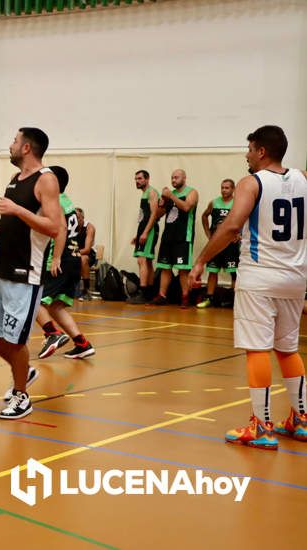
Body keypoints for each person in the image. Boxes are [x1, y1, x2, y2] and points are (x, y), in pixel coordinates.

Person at [189, 125, 307, 449]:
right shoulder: (302, 178)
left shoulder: (251, 182)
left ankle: (262, 426)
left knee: (257, 349)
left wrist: (200, 261)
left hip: (260, 276)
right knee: (288, 348)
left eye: (250, 148)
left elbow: (231, 226)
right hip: (296, 277)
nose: (247, 154)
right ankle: (301, 418)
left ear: (261, 152)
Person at [0, 128, 63, 420]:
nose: (11, 145)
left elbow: (54, 227)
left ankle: (21, 396)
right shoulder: (16, 179)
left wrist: (16, 210)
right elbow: (15, 219)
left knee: (16, 341)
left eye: (14, 141)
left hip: (24, 273)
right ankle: (23, 370)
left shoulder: (47, 180)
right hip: (0, 267)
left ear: (27, 148)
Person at [34, 166, 96, 360]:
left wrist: (56, 258)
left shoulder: (55, 202)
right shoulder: (68, 201)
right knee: (56, 307)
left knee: (32, 300)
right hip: (74, 259)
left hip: (59, 259)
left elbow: (58, 229)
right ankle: (82, 344)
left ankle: (52, 334)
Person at [150, 169, 199, 308]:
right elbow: (159, 215)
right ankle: (162, 296)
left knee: (183, 269)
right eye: (172, 178)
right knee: (165, 267)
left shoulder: (192, 192)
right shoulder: (170, 195)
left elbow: (186, 207)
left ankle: (185, 297)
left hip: (183, 237)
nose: (173, 180)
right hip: (168, 236)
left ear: (184, 178)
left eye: (176, 177)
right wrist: (162, 202)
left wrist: (170, 195)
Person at [196, 179, 238, 308]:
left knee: (234, 272)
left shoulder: (237, 203)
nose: (224, 190)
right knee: (212, 270)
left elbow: (245, 220)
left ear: (233, 189)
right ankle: (209, 298)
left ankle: (235, 300)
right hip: (216, 244)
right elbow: (204, 216)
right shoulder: (214, 203)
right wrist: (208, 234)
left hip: (231, 244)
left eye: (227, 188)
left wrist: (240, 234)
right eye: (222, 187)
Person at [127, 170, 160, 304]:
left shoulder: (151, 192)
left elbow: (153, 214)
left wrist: (146, 232)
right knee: (147, 262)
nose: (137, 181)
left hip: (150, 231)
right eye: (136, 179)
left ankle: (143, 292)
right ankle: (150, 292)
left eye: (140, 178)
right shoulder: (145, 194)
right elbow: (144, 217)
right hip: (145, 230)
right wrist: (138, 234)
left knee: (142, 260)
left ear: (147, 179)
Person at [74, 208, 97, 301]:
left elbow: (87, 250)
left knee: (83, 259)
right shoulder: (69, 226)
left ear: (83, 218)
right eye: (74, 218)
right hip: (74, 253)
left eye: (78, 218)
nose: (75, 220)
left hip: (88, 254)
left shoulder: (89, 228)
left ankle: (86, 290)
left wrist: (72, 253)